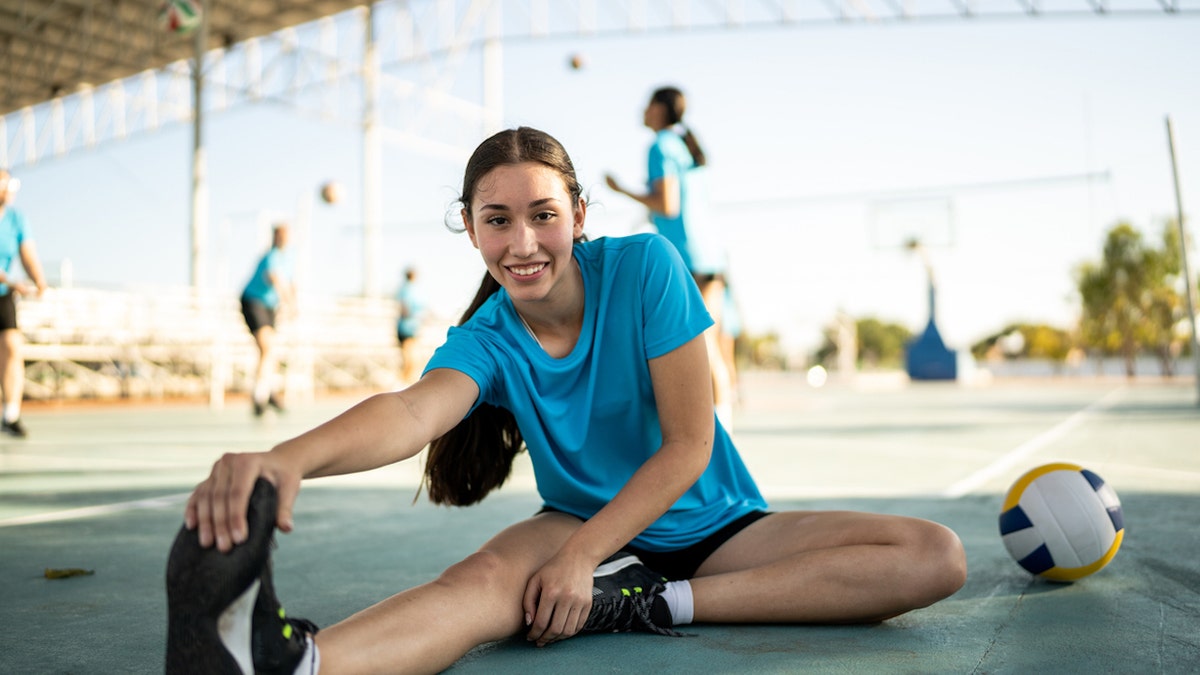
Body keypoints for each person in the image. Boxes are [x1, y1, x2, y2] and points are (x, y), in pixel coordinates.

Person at [166, 128, 967, 675]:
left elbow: (688, 445)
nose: (522, 243)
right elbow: (413, 412)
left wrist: (591, 565)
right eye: (497, 220)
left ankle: (657, 604)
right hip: (575, 520)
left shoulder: (646, 268)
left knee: (934, 555)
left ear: (578, 215)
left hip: (717, 527)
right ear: (472, 231)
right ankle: (299, 663)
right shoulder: (489, 334)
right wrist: (287, 457)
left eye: (543, 216)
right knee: (477, 585)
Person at [604, 86, 734, 428]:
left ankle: (707, 439)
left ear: (660, 110)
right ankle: (724, 435)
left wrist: (621, 190)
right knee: (711, 350)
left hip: (688, 260)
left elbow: (668, 204)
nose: (643, 110)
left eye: (648, 104)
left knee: (687, 350)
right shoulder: (687, 149)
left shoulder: (661, 146)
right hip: (711, 258)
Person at [0, 169, 48, 438]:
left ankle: (11, 414)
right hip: (6, 284)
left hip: (3, 294)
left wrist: (38, 280)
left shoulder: (17, 219)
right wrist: (10, 280)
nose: (7, 189)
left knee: (11, 347)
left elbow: (27, 254)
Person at [240, 223, 295, 417]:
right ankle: (260, 395)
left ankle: (266, 390)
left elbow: (290, 282)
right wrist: (288, 302)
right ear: (275, 237)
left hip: (271, 307)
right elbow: (275, 279)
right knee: (266, 347)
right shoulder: (271, 257)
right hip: (254, 301)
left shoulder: (288, 258)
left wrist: (292, 304)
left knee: (270, 350)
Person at [394, 265, 428, 385]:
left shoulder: (410, 289)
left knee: (411, 357)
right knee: (409, 357)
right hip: (407, 327)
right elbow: (405, 308)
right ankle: (403, 381)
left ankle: (406, 381)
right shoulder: (407, 289)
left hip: (412, 327)